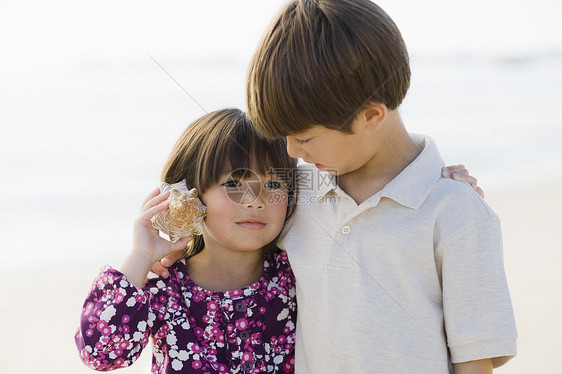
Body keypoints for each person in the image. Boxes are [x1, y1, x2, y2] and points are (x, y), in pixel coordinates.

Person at [243, 1, 519, 372]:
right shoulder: (296, 192)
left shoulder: (454, 210)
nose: (291, 151)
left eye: (305, 138)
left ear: (372, 115)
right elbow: (230, 233)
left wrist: (456, 197)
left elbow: (475, 357)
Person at [75, 108, 298, 373]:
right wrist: (142, 255)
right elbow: (101, 354)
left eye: (273, 184)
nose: (256, 200)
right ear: (191, 195)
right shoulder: (164, 290)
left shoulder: (296, 276)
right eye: (233, 183)